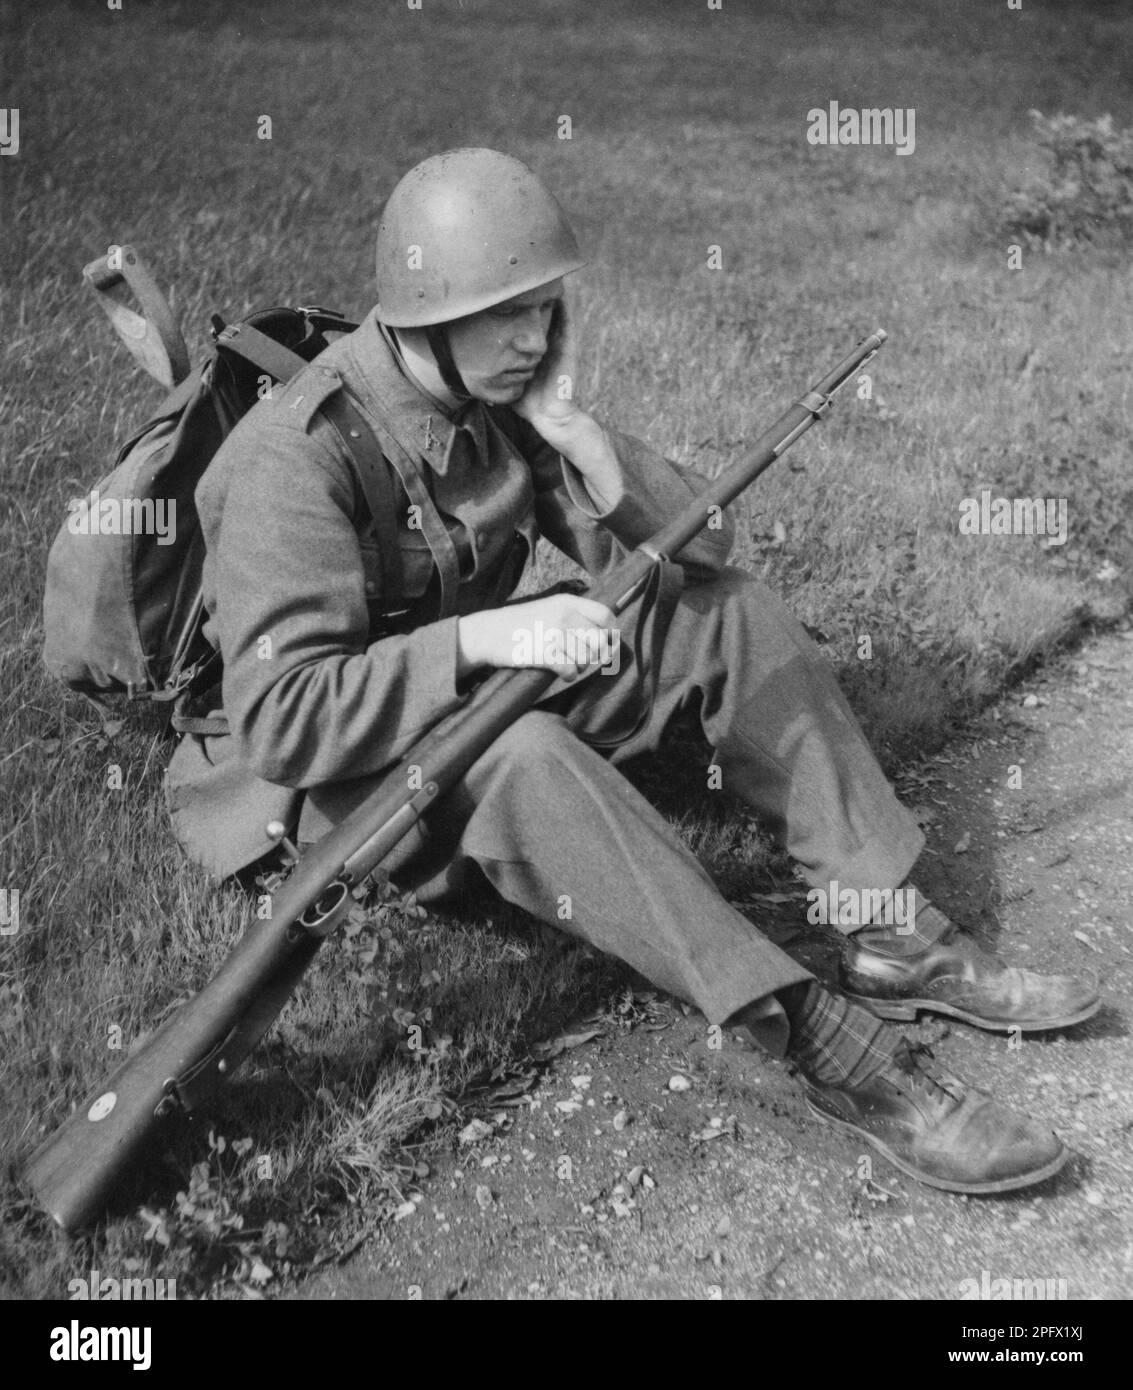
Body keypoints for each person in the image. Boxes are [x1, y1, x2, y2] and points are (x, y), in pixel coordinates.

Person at [165, 147, 1099, 1196]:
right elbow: (288, 717)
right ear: (425, 316)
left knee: (722, 617)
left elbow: (701, 552)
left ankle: (884, 926)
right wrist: (488, 640)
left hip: (459, 701)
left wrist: (574, 432)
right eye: (504, 314)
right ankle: (827, 1045)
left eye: (544, 307)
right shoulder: (299, 453)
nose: (533, 336)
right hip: (339, 777)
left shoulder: (495, 393)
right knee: (522, 752)